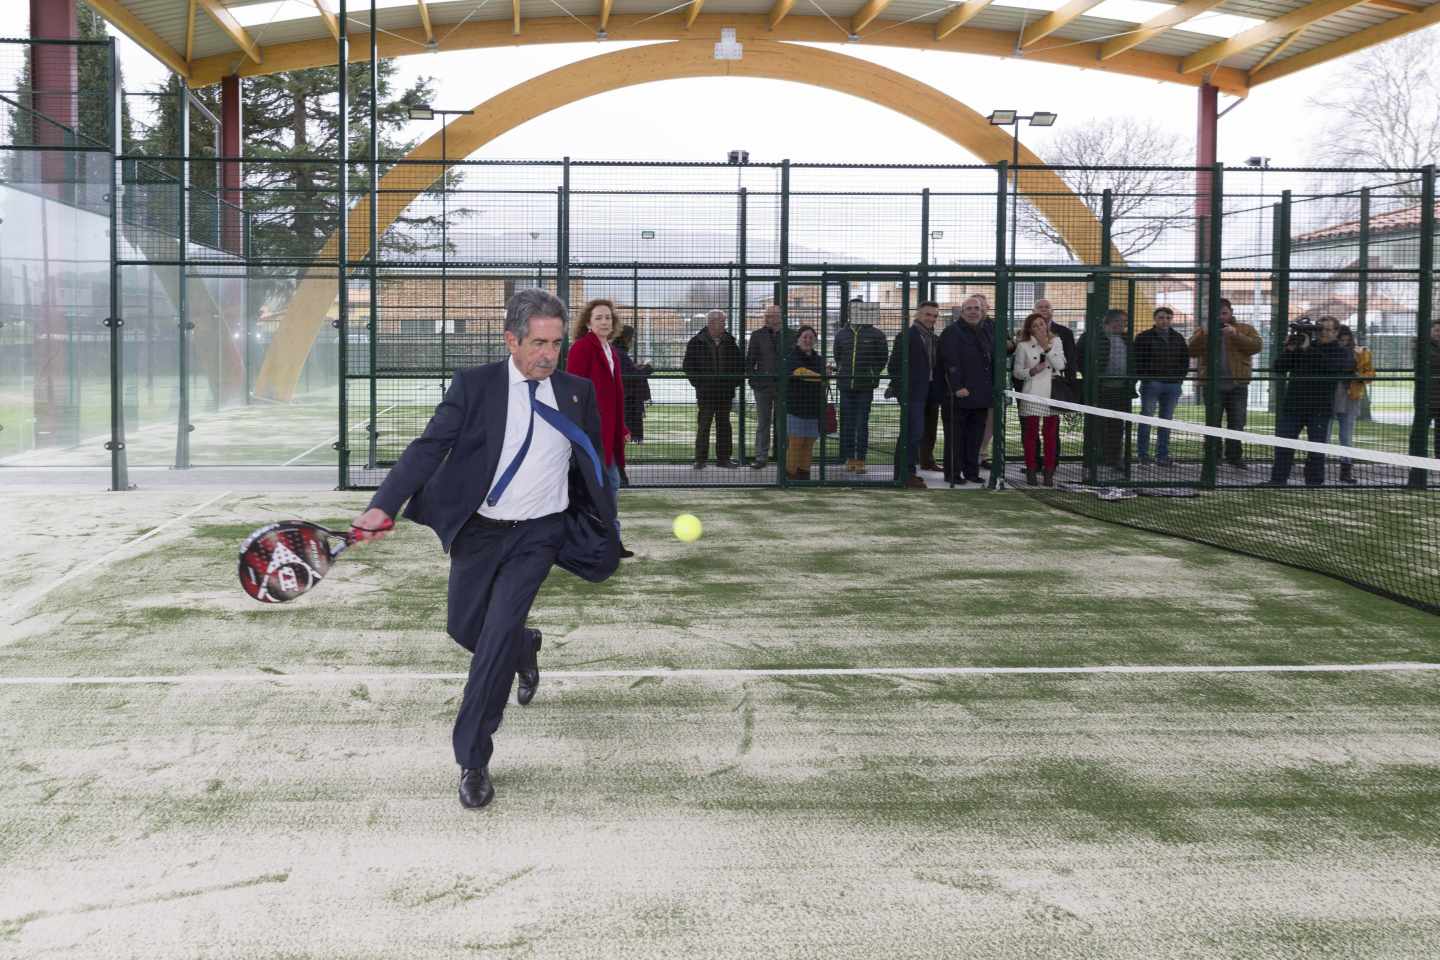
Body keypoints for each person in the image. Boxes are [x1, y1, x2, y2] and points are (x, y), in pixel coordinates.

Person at [350, 289, 618, 810]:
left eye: (556, 344)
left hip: (539, 533)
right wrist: (384, 504)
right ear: (511, 339)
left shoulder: (576, 392)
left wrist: (604, 525)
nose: (548, 354)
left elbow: (590, 464)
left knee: (492, 640)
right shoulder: (476, 387)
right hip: (480, 530)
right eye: (538, 343)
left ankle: (473, 759)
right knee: (465, 627)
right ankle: (526, 647)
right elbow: (430, 446)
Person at [565, 299, 634, 559]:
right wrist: (580, 431)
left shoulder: (611, 351)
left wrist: (622, 426)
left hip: (609, 434)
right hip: (590, 435)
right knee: (599, 489)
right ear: (588, 323)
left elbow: (613, 398)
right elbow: (573, 392)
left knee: (609, 486)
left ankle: (610, 542)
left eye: (608, 317)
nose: (605, 322)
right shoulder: (582, 349)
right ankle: (602, 543)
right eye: (599, 318)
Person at [1269, 316, 1354, 487]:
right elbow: (1279, 367)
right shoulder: (1304, 346)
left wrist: (1308, 349)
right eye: (1320, 329)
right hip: (1294, 406)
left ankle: (1314, 482)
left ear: (1336, 332)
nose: (1324, 333)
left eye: (1328, 329)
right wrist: (1290, 349)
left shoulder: (1341, 352)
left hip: (1320, 408)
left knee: (1316, 449)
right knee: (1283, 444)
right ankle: (1277, 480)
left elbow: (1331, 367)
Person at [1188, 298, 1263, 469]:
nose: (1221, 317)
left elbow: (1256, 347)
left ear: (1231, 312)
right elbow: (1191, 350)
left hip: (1238, 384)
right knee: (1213, 422)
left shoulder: (1245, 328)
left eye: (1224, 313)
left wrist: (1235, 334)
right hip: (1212, 385)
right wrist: (1204, 333)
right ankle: (1213, 458)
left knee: (1237, 422)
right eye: (1217, 314)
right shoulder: (1204, 330)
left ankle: (1234, 457)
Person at [888, 300, 942, 489]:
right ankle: (904, 474)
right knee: (911, 433)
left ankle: (908, 472)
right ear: (918, 314)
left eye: (935, 316)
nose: (931, 319)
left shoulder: (933, 337)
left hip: (928, 393)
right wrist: (902, 390)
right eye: (928, 314)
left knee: (916, 434)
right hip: (912, 393)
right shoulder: (907, 336)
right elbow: (893, 365)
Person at [939, 296, 994, 484]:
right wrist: (957, 387)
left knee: (975, 437)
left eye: (976, 308)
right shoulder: (952, 332)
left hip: (981, 397)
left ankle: (971, 472)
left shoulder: (986, 331)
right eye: (968, 308)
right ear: (962, 312)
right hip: (958, 397)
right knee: (956, 438)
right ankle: (953, 474)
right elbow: (949, 362)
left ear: (982, 311)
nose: (973, 312)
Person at [682, 309, 744, 469]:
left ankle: (724, 459)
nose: (724, 324)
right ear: (711, 323)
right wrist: (699, 384)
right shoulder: (696, 342)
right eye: (722, 321)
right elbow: (688, 366)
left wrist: (733, 383)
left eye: (724, 321)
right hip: (706, 393)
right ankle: (700, 459)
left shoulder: (730, 341)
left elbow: (739, 365)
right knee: (704, 425)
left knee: (724, 425)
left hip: (725, 392)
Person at [1012, 311, 1067, 486]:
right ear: (1030, 329)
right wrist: (1031, 371)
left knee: (1050, 434)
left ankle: (1049, 472)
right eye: (1034, 326)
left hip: (1052, 394)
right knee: (1030, 434)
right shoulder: (1023, 346)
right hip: (1032, 392)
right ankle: (1031, 470)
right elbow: (1017, 372)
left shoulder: (1056, 341)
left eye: (1041, 324)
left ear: (1046, 325)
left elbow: (1061, 365)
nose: (1039, 328)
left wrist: (1048, 348)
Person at [833, 301, 888, 473]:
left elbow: (882, 357)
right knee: (848, 424)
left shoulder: (876, 333)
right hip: (845, 385)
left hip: (865, 387)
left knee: (861, 423)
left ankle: (861, 460)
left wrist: (871, 373)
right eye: (851, 309)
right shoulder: (841, 334)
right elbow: (838, 356)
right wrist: (843, 370)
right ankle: (850, 459)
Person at [1078, 309, 1136, 470]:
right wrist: (1089, 375)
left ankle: (1114, 459)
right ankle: (1092, 459)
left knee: (1117, 426)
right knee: (1096, 425)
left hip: (1121, 391)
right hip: (1100, 389)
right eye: (1119, 321)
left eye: (1125, 322)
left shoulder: (1127, 339)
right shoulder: (1091, 337)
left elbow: (1135, 362)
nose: (1123, 325)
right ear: (1110, 322)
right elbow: (1078, 357)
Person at [1133, 306, 1190, 466]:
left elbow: (1184, 360)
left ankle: (1162, 456)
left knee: (1166, 420)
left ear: (1171, 320)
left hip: (1172, 385)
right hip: (1152, 383)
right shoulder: (1144, 337)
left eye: (1167, 318)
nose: (1164, 321)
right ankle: (1143, 455)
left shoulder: (1178, 338)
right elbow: (1138, 359)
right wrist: (1146, 377)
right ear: (1155, 319)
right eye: (1161, 317)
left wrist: (1179, 379)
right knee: (1146, 418)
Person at [744, 304, 790, 469]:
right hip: (762, 387)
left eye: (775, 315)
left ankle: (784, 457)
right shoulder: (757, 335)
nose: (772, 318)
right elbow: (750, 361)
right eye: (769, 316)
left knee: (783, 422)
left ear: (781, 317)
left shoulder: (790, 335)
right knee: (763, 423)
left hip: (784, 387)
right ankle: (761, 457)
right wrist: (753, 380)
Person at [1330, 325, 1374, 485]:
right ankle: (1316, 468)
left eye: (1346, 338)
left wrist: (1358, 375)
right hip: (1329, 395)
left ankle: (1346, 470)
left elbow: (1369, 374)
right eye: (1340, 338)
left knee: (1346, 435)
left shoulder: (1361, 352)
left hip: (1351, 395)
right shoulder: (1328, 350)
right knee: (1324, 435)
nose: (1343, 341)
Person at [784, 325, 826, 480]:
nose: (808, 340)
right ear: (798, 340)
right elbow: (799, 372)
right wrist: (820, 376)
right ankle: (790, 475)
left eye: (811, 337)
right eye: (805, 337)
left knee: (809, 443)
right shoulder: (791, 358)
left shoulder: (819, 359)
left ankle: (804, 474)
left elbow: (821, 377)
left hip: (814, 408)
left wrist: (821, 376)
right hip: (796, 407)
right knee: (796, 442)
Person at [614, 324, 652, 457]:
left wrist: (637, 368)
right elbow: (631, 377)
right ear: (626, 338)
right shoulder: (620, 353)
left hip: (624, 399)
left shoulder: (616, 352)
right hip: (626, 401)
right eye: (632, 337)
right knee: (620, 437)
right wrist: (646, 369)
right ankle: (618, 470)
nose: (633, 341)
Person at [1034, 298, 1079, 402]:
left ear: (1052, 311)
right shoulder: (1026, 331)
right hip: (1031, 380)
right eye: (1040, 307)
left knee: (1052, 415)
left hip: (1055, 382)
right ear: (1033, 311)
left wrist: (1070, 382)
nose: (1044, 309)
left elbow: (1070, 358)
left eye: (1047, 307)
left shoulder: (1065, 332)